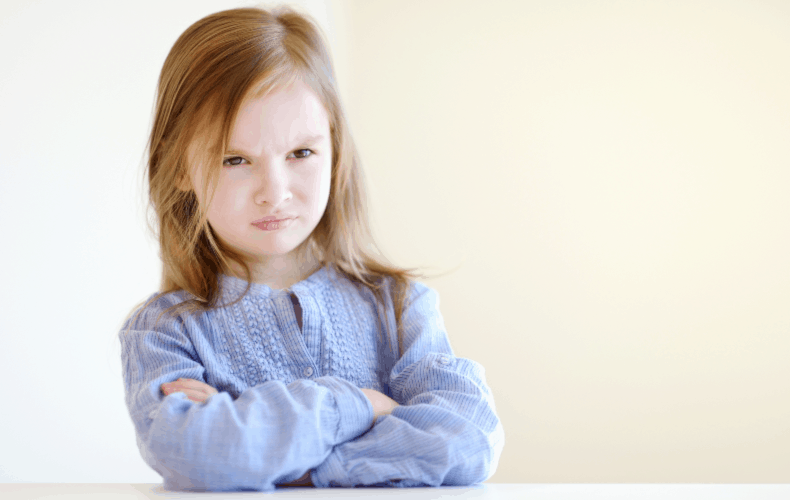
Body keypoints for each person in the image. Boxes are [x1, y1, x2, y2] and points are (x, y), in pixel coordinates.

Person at [118, 5, 504, 492]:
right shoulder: (163, 333)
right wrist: (365, 406)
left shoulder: (400, 306)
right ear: (179, 168)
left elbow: (468, 440)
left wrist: (294, 465)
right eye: (235, 159)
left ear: (334, 149)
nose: (273, 191)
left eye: (300, 153)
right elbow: (200, 454)